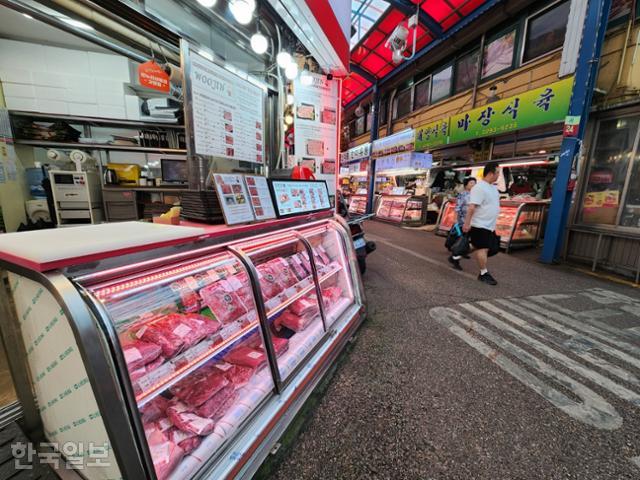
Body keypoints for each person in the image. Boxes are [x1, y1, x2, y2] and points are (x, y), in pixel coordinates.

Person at [462, 163, 501, 285]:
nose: (499, 175)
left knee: (491, 248)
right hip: (480, 224)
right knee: (482, 248)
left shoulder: (493, 188)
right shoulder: (479, 188)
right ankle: (483, 273)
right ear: (490, 173)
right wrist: (467, 223)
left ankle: (458, 252)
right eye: (497, 172)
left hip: (490, 225)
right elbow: (472, 207)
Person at [448, 177, 476, 270]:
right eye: (471, 183)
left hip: (472, 220)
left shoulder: (475, 195)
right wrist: (455, 219)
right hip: (463, 220)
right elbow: (458, 207)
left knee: (466, 238)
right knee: (462, 239)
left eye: (474, 183)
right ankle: (455, 257)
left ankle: (461, 252)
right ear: (466, 184)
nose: (473, 185)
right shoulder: (462, 195)